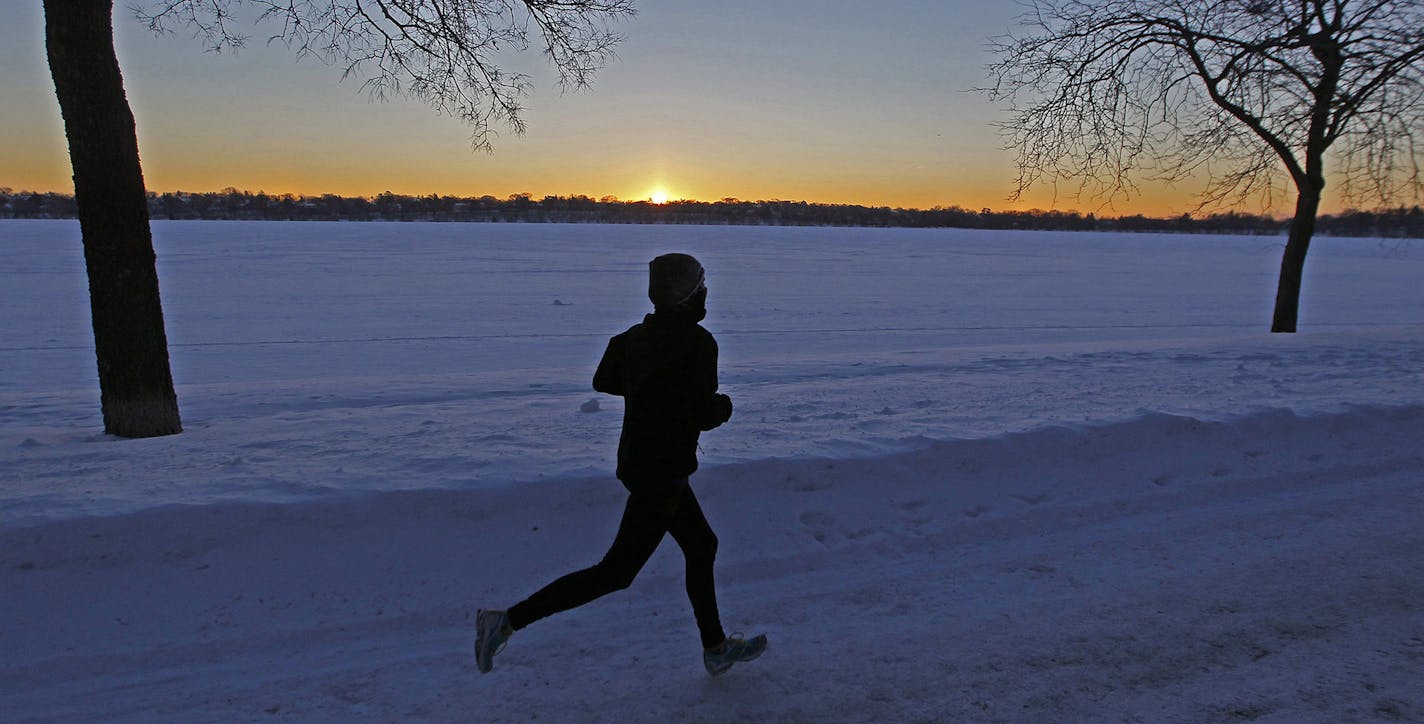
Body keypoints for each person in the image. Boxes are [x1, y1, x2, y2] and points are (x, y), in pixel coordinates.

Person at [475, 252, 767, 677]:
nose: (706, 294)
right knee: (615, 573)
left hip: (638, 462)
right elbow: (701, 413)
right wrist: (723, 407)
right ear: (689, 295)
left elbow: (604, 380)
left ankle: (715, 646)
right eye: (701, 287)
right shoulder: (700, 344)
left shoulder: (632, 338)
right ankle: (505, 621)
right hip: (662, 473)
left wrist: (649, 387)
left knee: (702, 546)